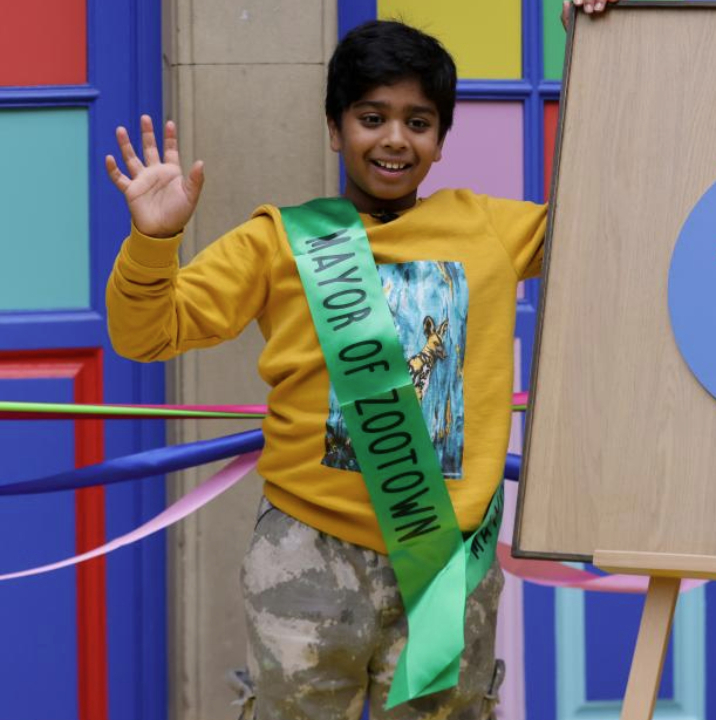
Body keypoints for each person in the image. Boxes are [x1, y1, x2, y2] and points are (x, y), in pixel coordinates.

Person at [104, 3, 614, 718]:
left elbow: (613, 207)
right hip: (305, 553)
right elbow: (146, 334)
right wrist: (154, 243)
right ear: (336, 127)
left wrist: (600, 41)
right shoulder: (276, 241)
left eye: (418, 121)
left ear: (441, 139)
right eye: (372, 117)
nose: (394, 139)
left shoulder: (492, 229)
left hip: (443, 562)